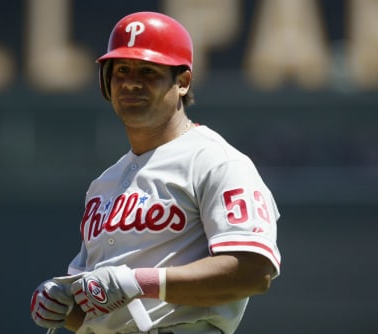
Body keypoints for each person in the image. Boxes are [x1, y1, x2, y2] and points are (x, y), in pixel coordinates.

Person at [30, 11, 281, 334]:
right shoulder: (103, 184)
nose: (131, 81)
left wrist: (139, 281)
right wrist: (61, 304)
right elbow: (98, 308)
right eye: (121, 70)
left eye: (148, 70)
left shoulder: (216, 161)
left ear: (182, 81)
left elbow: (253, 272)